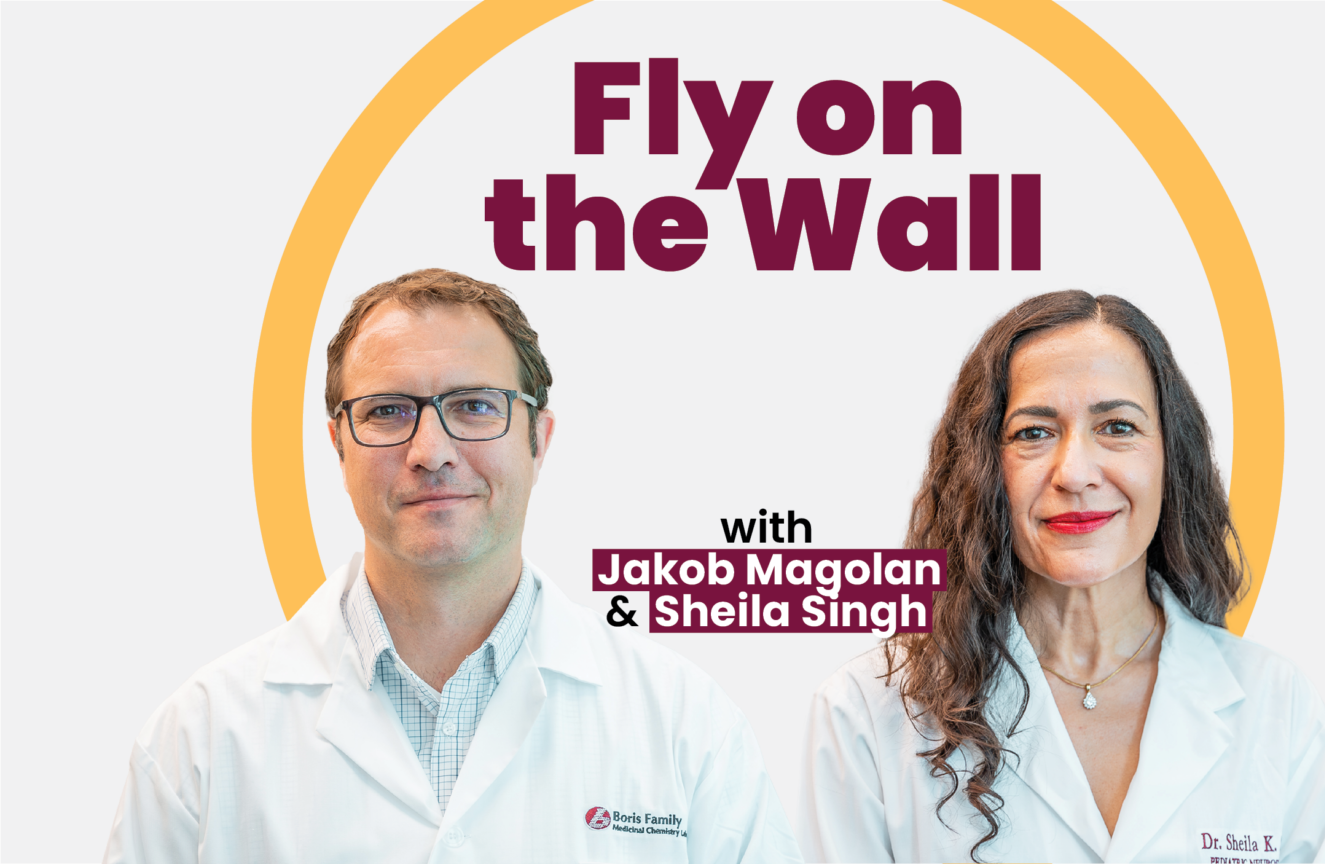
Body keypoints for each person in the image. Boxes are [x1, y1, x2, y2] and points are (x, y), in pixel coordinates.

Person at [104, 268, 802, 863]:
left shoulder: (685, 727)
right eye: (386, 412)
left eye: (473, 406)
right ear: (338, 446)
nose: (430, 450)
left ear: (540, 439)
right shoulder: (200, 741)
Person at [798, 291, 1325, 863]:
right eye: (1033, 433)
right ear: (982, 468)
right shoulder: (869, 714)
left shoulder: (1278, 709)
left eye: (1117, 427)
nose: (1074, 473)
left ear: (1171, 458)